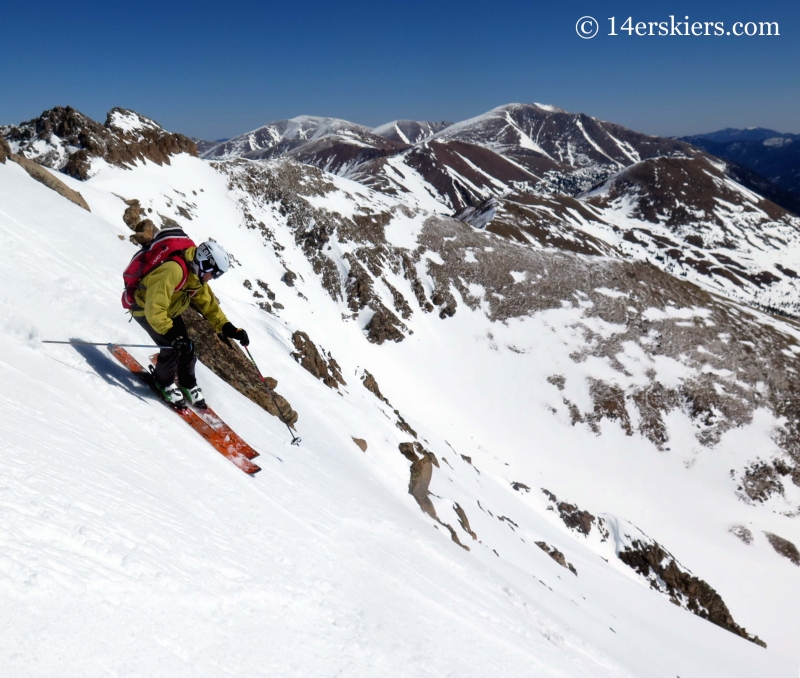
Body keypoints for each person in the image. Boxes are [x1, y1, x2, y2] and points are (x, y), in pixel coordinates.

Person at [129, 240, 249, 409]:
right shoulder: (174, 270)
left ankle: (188, 383)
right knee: (172, 348)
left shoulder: (196, 278)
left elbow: (209, 305)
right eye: (214, 273)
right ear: (204, 263)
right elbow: (154, 309)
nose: (213, 277)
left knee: (188, 347)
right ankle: (163, 382)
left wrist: (228, 328)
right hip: (145, 309)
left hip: (168, 311)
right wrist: (171, 336)